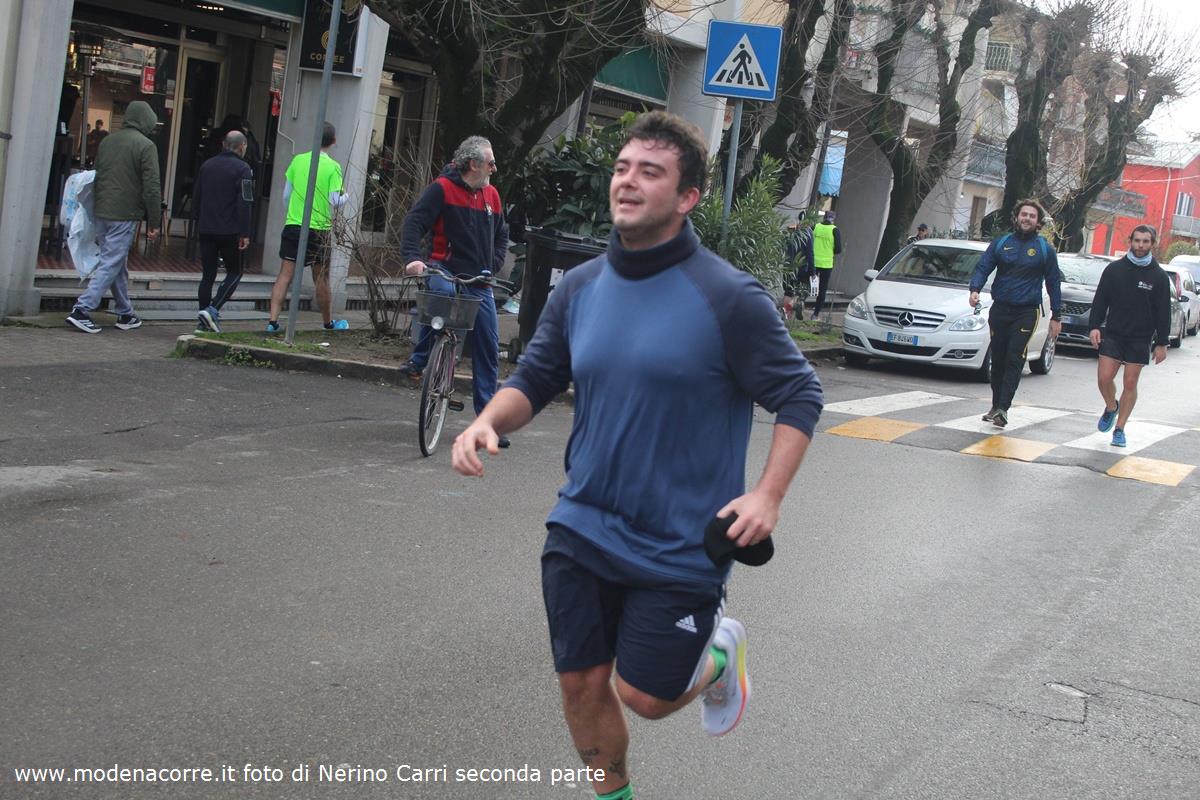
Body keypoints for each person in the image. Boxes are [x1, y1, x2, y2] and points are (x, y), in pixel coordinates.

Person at [449, 111, 824, 800]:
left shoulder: (727, 297)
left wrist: (768, 495)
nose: (628, 181)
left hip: (680, 539)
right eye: (623, 168)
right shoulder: (581, 287)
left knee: (644, 696)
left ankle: (719, 657)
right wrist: (486, 422)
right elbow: (537, 376)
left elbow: (800, 393)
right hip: (584, 523)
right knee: (580, 684)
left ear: (688, 197)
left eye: (650, 172)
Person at [399, 136, 510, 445]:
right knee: (441, 297)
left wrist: (493, 262)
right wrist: (413, 259)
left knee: (488, 346)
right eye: (490, 163)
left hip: (479, 277)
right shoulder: (442, 189)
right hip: (444, 267)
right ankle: (420, 358)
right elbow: (414, 223)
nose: (494, 168)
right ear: (473, 164)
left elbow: (502, 233)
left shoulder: (491, 195)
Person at [66, 101, 160, 334]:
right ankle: (82, 309)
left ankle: (125, 312)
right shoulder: (146, 146)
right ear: (146, 120)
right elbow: (152, 187)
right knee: (111, 262)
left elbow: (97, 173)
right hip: (124, 212)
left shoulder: (108, 141)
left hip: (101, 210)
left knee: (117, 262)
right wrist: (154, 221)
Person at [968, 199, 1063, 428]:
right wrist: (975, 289)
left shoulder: (1044, 249)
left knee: (1014, 356)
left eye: (1032, 216)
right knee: (999, 357)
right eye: (1024, 214)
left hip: (1027, 311)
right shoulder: (1002, 243)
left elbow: (1054, 282)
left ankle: (1003, 408)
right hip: (1000, 309)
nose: (1027, 218)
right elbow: (983, 266)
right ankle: (995, 405)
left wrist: (1057, 316)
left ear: (1038, 222)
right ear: (1017, 217)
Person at [1087, 224, 1172, 447]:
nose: (1140, 245)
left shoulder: (1159, 276)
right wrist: (1094, 326)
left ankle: (1120, 428)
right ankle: (1111, 406)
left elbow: (1163, 311)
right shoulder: (1114, 270)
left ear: (1152, 244)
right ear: (1130, 241)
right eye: (1137, 241)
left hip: (1140, 338)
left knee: (1130, 382)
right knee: (1104, 378)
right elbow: (1100, 299)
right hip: (1114, 333)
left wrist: (1162, 343)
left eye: (1145, 241)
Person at [266, 122, 349, 332]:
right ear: (333, 141)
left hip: (294, 224)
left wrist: (292, 214)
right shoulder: (333, 167)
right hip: (319, 228)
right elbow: (335, 200)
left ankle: (273, 322)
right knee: (321, 278)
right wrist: (346, 196)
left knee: (285, 275)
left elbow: (286, 195)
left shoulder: (298, 160)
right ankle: (328, 323)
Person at [193, 130, 254, 333]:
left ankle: (203, 320)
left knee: (208, 275)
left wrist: (198, 221)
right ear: (242, 146)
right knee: (235, 272)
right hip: (230, 230)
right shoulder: (244, 169)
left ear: (223, 144)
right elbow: (245, 202)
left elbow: (197, 196)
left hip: (206, 228)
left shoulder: (207, 165)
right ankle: (212, 310)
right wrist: (244, 232)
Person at [780, 219, 814, 320]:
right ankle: (791, 306)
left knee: (788, 292)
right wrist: (812, 271)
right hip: (801, 267)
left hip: (787, 266)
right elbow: (810, 253)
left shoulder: (790, 231)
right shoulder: (807, 233)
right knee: (802, 291)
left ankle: (785, 319)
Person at [811, 210, 842, 317]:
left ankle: (799, 305)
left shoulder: (815, 227)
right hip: (826, 264)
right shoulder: (835, 230)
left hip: (814, 262)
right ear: (833, 219)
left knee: (807, 286)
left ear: (824, 218)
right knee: (822, 289)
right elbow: (838, 249)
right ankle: (815, 314)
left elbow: (808, 241)